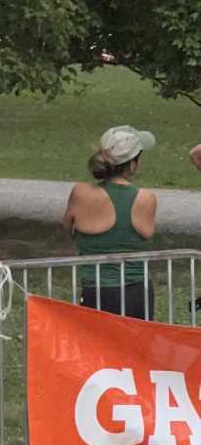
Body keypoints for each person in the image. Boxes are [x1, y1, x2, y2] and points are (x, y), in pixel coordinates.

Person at [61, 125, 157, 319]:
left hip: (96, 290)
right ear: (132, 164)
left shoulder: (80, 193)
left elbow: (66, 226)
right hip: (137, 291)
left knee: (97, 348)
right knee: (137, 348)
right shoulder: (146, 199)